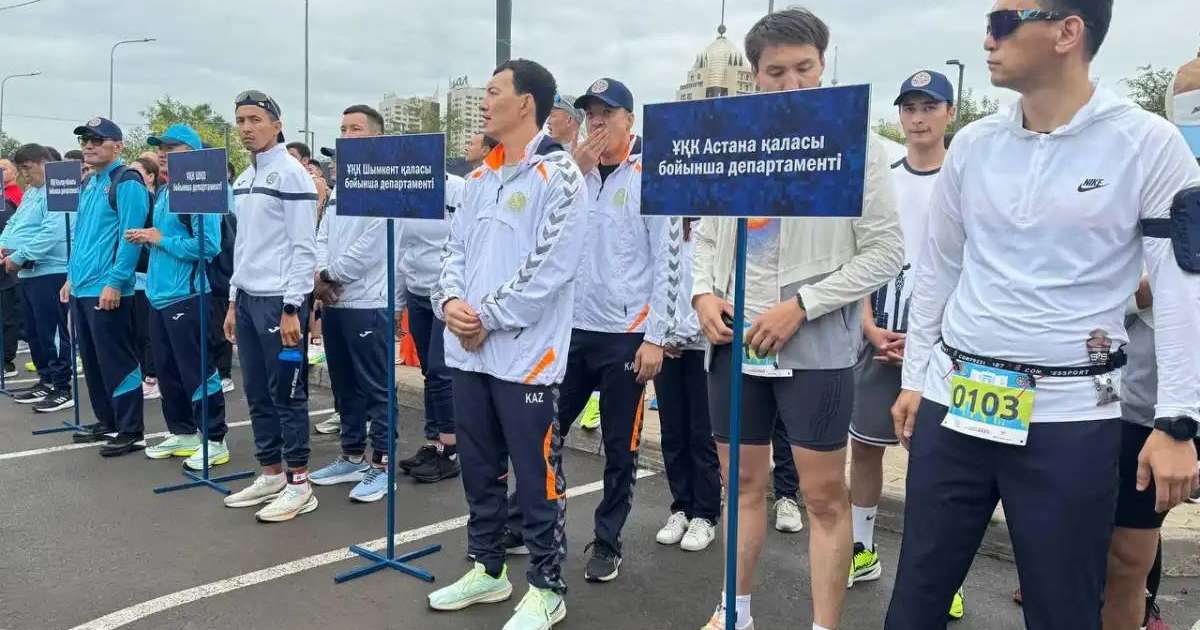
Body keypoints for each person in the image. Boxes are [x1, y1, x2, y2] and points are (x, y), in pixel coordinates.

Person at [886, 2, 1200, 628]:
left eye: (1003, 21)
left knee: (1062, 610)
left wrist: (1180, 419)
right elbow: (939, 270)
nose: (987, 38)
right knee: (916, 603)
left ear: (1067, 31)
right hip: (958, 404)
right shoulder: (974, 144)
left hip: (1072, 418)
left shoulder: (1146, 142)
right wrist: (915, 379)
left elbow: (1183, 284)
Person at [691, 8, 903, 629]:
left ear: (823, 66)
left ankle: (823, 624)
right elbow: (705, 238)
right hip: (736, 345)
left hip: (815, 350)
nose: (790, 84)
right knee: (745, 488)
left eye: (803, 69)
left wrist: (802, 305)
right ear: (755, 75)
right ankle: (736, 611)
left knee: (821, 498)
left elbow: (887, 251)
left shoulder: (856, 145)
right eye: (775, 71)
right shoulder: (732, 145)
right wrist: (704, 295)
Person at [426, 58, 586, 630]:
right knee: (479, 468)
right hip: (468, 352)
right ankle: (488, 570)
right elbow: (454, 255)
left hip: (526, 358)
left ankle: (546, 586)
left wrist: (486, 317)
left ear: (527, 103)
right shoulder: (477, 180)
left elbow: (549, 271)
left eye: (493, 91)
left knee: (536, 475)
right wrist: (449, 305)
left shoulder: (561, 175)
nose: (484, 101)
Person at [847, 69, 966, 619]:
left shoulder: (962, 178)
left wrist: (932, 338)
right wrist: (869, 324)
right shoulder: (885, 178)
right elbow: (860, 255)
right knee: (866, 448)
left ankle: (941, 571)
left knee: (935, 467)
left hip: (943, 348)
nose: (918, 118)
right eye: (909, 107)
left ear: (949, 113)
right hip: (879, 338)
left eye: (929, 107)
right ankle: (861, 548)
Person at [559, 77, 682, 582]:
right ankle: (526, 523)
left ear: (630, 120)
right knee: (544, 434)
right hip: (571, 331)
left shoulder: (651, 176)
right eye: (590, 115)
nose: (597, 123)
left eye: (607, 114)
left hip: (625, 337)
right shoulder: (573, 174)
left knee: (619, 446)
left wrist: (656, 335)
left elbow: (669, 261)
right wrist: (574, 173)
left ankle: (607, 541)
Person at [221, 90, 319, 523]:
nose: (247, 128)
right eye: (241, 120)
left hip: (280, 302)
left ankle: (300, 483)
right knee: (257, 393)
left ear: (277, 125)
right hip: (246, 299)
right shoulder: (244, 179)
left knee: (288, 393)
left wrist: (293, 306)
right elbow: (243, 248)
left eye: (255, 119)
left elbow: (304, 247)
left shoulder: (292, 175)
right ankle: (271, 472)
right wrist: (231, 301)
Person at [308, 104, 403, 501]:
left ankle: (382, 465)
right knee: (344, 386)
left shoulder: (387, 185)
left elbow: (373, 245)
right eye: (343, 128)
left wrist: (330, 276)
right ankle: (351, 456)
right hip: (335, 303)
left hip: (368, 302)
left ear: (376, 139)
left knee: (377, 389)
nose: (346, 135)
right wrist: (318, 275)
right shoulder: (341, 187)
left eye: (356, 129)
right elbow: (322, 235)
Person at [127, 124, 234, 470]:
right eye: (160, 147)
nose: (162, 152)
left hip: (188, 296)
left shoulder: (201, 190)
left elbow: (208, 246)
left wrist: (159, 239)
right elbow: (166, 238)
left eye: (171, 147)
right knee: (169, 372)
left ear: (190, 152)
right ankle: (184, 432)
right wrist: (150, 238)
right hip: (159, 297)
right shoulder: (163, 191)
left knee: (198, 372)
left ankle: (214, 438)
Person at [62, 117, 149, 457]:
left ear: (118, 145)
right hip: (83, 287)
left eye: (97, 139)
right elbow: (82, 237)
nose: (89, 145)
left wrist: (115, 282)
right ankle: (108, 421)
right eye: (85, 139)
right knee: (94, 360)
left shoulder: (126, 181)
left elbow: (130, 238)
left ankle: (130, 429)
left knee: (117, 360)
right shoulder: (90, 183)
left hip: (108, 289)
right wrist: (71, 278)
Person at [395, 148, 467, 483]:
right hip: (416, 290)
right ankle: (433, 440)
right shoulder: (406, 190)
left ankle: (451, 451)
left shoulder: (458, 189)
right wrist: (399, 302)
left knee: (441, 371)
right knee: (428, 371)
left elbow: (465, 244)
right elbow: (400, 247)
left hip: (446, 294)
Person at [654, 218, 722, 553]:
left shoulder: (714, 223)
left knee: (701, 434)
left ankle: (705, 514)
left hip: (702, 345)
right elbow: (655, 282)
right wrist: (660, 334)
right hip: (664, 346)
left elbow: (712, 288)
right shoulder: (664, 224)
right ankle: (681, 507)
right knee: (673, 432)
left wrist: (685, 332)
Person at [1, 143, 72, 411]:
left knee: (52, 331)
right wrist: (4, 244)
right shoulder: (33, 193)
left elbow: (52, 231)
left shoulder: (59, 190)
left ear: (44, 163)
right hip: (29, 270)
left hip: (51, 269)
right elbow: (15, 223)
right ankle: (46, 379)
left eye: (27, 169)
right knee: (34, 331)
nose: (24, 175)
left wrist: (18, 255)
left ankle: (62, 386)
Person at [128, 156, 161, 400]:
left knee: (148, 331)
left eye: (138, 174)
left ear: (150, 176)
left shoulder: (154, 200)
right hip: (134, 277)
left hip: (148, 276)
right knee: (138, 330)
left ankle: (153, 376)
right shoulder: (131, 199)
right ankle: (146, 373)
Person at [0, 158, 25, 376]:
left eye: (4, 168)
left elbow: (11, 230)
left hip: (8, 267)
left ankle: (6, 361)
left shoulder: (13, 198)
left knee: (7, 316)